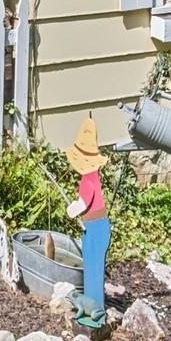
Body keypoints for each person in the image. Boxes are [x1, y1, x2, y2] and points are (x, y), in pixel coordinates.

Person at [66, 115, 110, 329]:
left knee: (94, 271)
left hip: (95, 227)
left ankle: (97, 313)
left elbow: (85, 200)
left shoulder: (88, 179)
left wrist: (73, 209)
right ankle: (94, 308)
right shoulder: (92, 176)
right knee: (91, 268)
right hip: (96, 226)